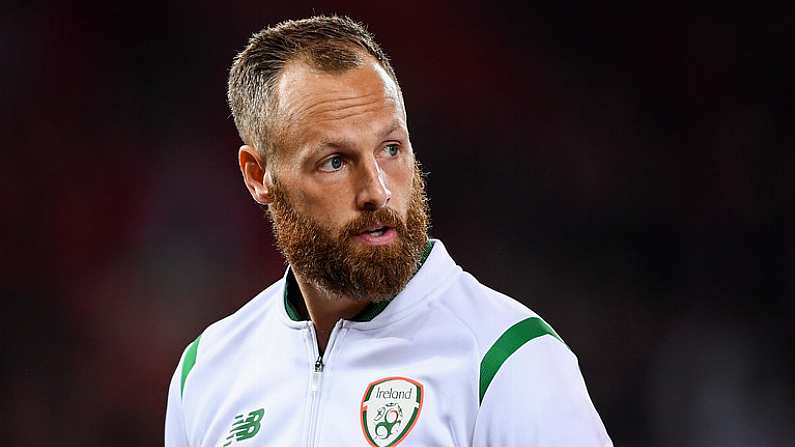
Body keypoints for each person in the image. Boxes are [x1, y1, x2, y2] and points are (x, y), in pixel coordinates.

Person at [165, 15, 612, 447]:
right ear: (258, 176)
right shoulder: (205, 372)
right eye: (335, 162)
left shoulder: (504, 359)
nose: (376, 191)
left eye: (391, 149)